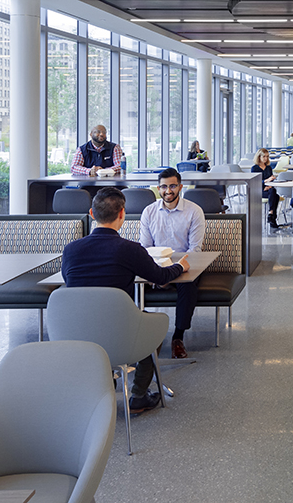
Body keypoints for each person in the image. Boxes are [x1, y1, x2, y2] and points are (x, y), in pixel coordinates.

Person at [61, 187, 188, 415]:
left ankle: (103, 385)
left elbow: (71, 284)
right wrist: (181, 266)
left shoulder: (70, 250)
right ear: (122, 214)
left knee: (109, 326)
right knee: (151, 327)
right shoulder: (130, 250)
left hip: (78, 333)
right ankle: (139, 395)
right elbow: (160, 278)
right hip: (120, 332)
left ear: (91, 214)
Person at [139, 168, 204, 359]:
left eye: (173, 186)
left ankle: (178, 337)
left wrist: (172, 273)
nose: (168, 191)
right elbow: (145, 248)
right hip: (156, 265)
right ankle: (139, 336)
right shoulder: (149, 212)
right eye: (164, 186)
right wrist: (160, 273)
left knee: (188, 284)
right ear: (158, 188)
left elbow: (195, 250)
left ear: (180, 187)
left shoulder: (194, 211)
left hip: (185, 264)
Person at [252, 148, 280, 229]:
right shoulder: (255, 168)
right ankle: (272, 218)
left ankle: (271, 215)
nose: (266, 158)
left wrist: (270, 185)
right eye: (264, 156)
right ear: (259, 157)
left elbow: (271, 180)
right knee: (276, 196)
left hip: (268, 190)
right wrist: (265, 181)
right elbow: (254, 182)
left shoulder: (268, 168)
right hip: (258, 191)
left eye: (267, 156)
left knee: (273, 192)